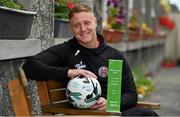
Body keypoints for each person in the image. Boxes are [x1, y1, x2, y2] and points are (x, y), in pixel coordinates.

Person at [22, 4, 158, 116]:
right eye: (76, 25)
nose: (82, 29)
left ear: (95, 22)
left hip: (113, 112)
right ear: (71, 28)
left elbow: (131, 94)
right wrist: (69, 72)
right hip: (84, 114)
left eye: (86, 23)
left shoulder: (115, 55)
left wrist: (109, 103)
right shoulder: (66, 50)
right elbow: (30, 67)